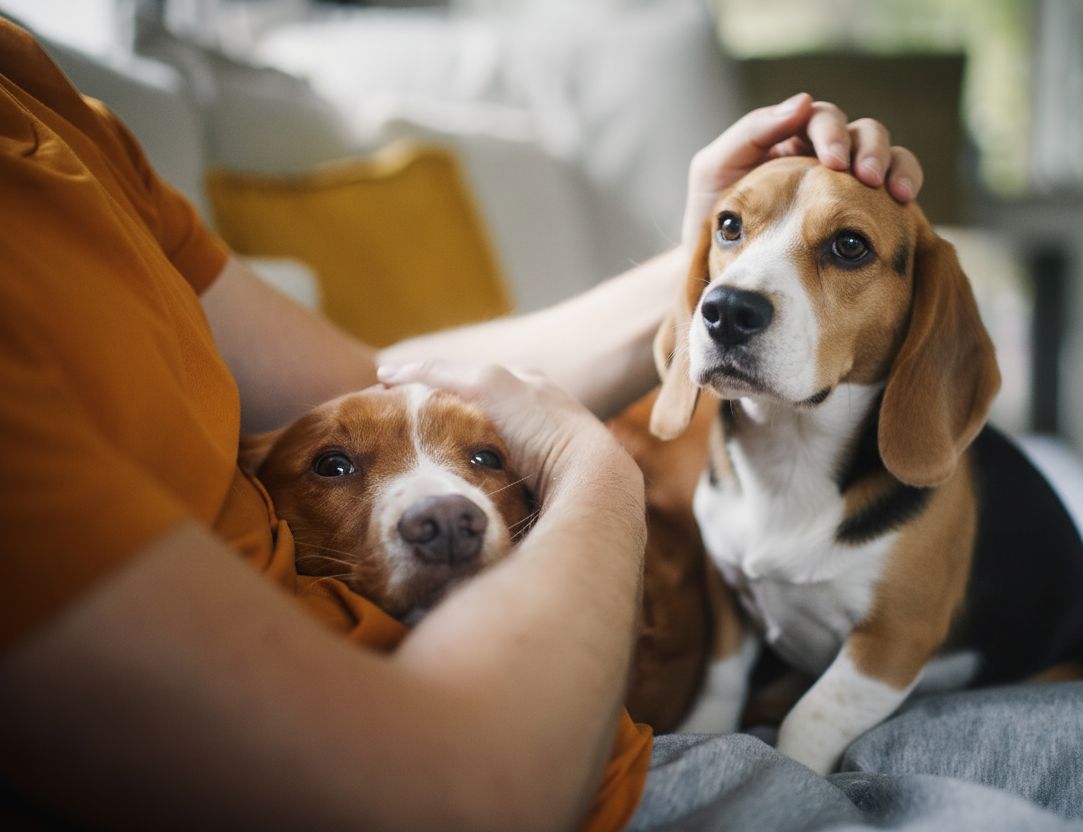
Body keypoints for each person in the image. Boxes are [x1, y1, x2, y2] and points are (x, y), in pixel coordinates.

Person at [0, 17, 923, 831]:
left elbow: (375, 390)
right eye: (330, 471)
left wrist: (722, 251)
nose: (442, 507)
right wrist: (588, 466)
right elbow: (453, 796)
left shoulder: (40, 97)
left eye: (487, 460)